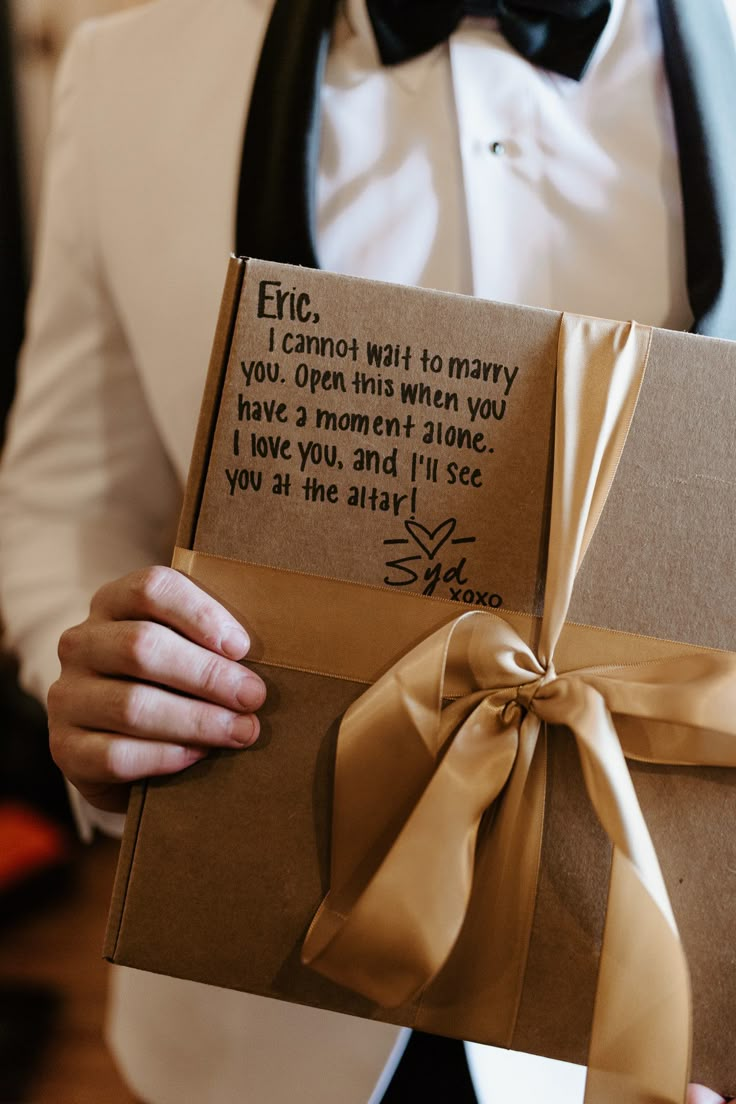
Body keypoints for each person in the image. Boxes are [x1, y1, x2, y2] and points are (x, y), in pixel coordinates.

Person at [0, 0, 733, 1101]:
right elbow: (67, 496)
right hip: (260, 1000)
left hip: (671, 989)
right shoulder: (124, 76)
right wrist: (93, 671)